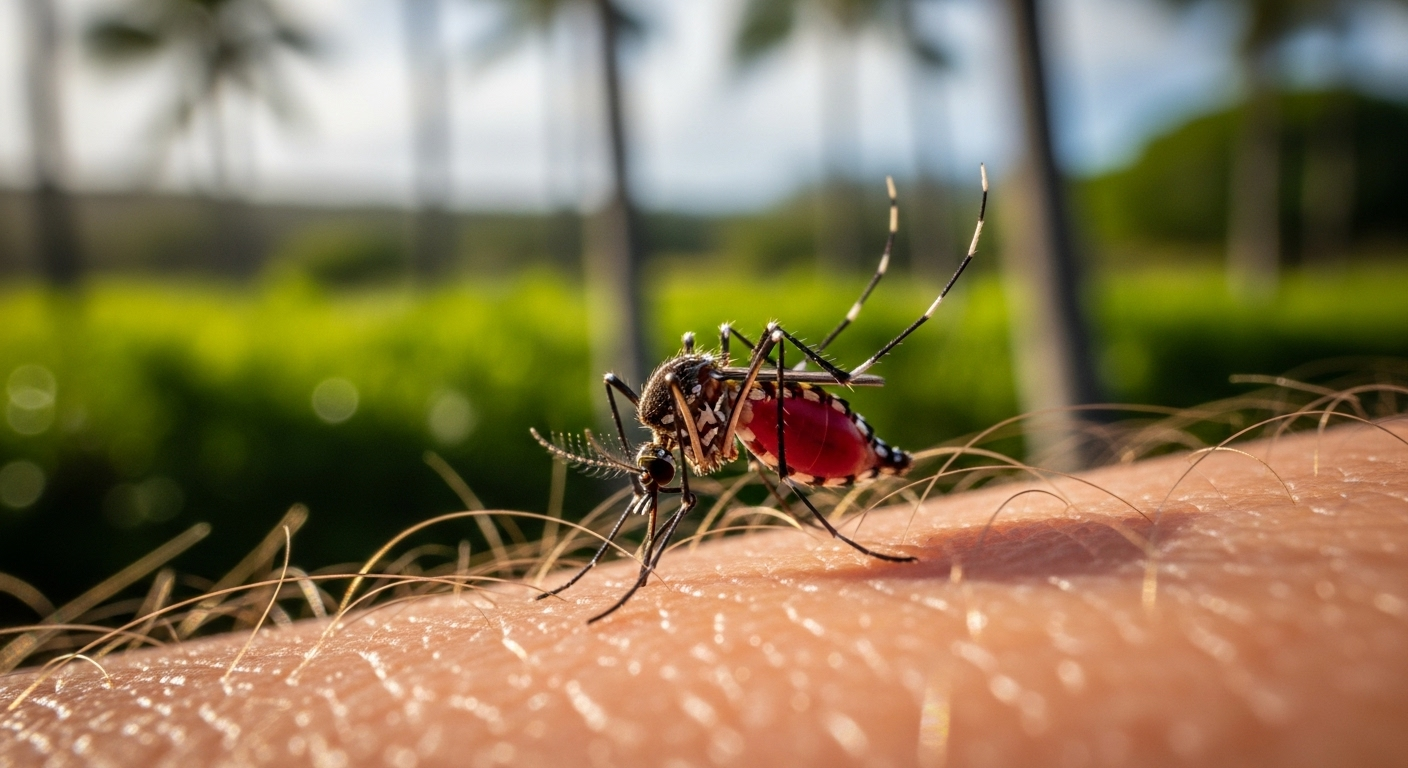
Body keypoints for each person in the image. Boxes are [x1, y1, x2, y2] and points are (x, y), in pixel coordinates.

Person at [2, 423, 1406, 767]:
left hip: (796, 423)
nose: (655, 491)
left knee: (730, 378)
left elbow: (720, 393)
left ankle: (848, 430)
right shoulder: (673, 445)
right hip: (773, 434)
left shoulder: (713, 423)